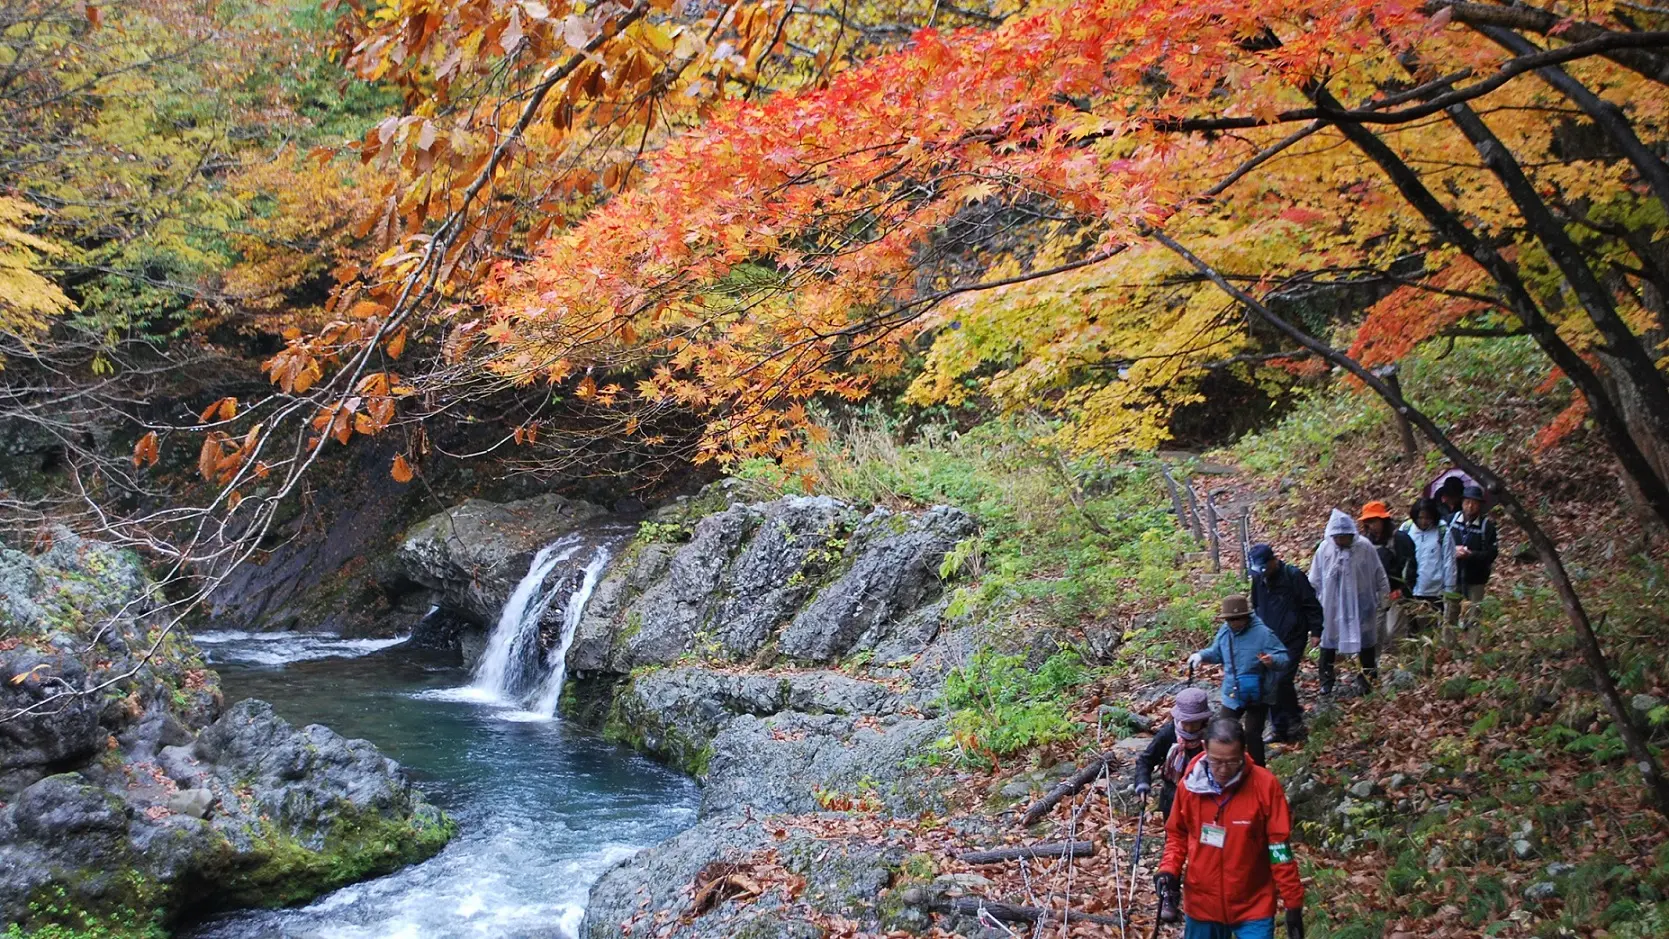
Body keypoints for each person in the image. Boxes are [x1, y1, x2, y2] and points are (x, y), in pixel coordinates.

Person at [1154, 719, 1306, 939]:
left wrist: (1293, 902)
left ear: (1243, 752)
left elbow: (1279, 848)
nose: (1223, 770)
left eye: (1232, 762)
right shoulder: (1189, 786)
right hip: (1202, 903)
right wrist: (1168, 869)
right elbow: (1177, 834)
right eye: (1216, 762)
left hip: (1253, 903)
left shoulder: (1265, 786)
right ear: (1204, 748)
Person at [1186, 595, 1287, 768]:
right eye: (1230, 620)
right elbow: (1217, 653)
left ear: (1246, 617)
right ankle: (1219, 767)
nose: (1233, 623)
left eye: (1237, 619)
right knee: (1221, 729)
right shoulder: (1225, 632)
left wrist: (1272, 661)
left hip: (1259, 692)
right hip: (1233, 692)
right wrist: (1201, 656)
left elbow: (1283, 658)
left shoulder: (1263, 633)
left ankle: (1258, 773)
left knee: (1252, 734)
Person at [1308, 509, 1388, 695]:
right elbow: (1315, 577)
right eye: (1337, 537)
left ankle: (1367, 678)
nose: (1340, 541)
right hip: (1332, 604)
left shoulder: (1365, 547)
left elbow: (1378, 572)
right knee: (1328, 642)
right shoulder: (1325, 550)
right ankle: (1326, 680)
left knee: (1366, 642)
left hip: (1361, 602)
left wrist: (1384, 594)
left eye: (1344, 537)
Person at [1248, 543, 1323, 743]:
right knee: (1270, 680)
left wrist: (1316, 631)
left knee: (1282, 679)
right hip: (1268, 639)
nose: (1263, 574)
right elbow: (1255, 606)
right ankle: (1279, 727)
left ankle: (1294, 722)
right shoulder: (1258, 580)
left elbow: (1311, 604)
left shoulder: (1293, 576)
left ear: (1273, 560)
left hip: (1293, 637)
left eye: (1265, 568)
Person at [1133, 687, 1213, 821]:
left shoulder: (1212, 735)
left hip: (1205, 795)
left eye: (1195, 722)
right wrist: (1142, 783)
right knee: (1174, 835)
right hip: (1173, 795)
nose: (1190, 727)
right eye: (1187, 722)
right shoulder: (1168, 734)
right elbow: (1146, 761)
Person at [1359, 501, 1417, 642]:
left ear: (1383, 519)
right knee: (1376, 632)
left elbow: (1410, 567)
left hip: (1396, 593)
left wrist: (1404, 589)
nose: (1371, 526)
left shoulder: (1400, 539)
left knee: (1394, 632)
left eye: (1373, 521)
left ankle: (1398, 660)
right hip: (1374, 593)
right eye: (1368, 522)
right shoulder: (1366, 541)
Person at [1444, 484, 1499, 629]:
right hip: (1453, 575)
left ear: (1480, 505)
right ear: (1462, 503)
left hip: (1476, 577)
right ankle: (1448, 648)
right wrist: (1454, 551)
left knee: (1475, 614)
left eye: (1474, 503)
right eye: (1467, 502)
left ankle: (1473, 646)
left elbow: (1492, 553)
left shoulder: (1487, 526)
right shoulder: (1450, 521)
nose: (1470, 506)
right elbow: (1439, 544)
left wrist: (1471, 555)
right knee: (1450, 613)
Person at [1399, 499, 1448, 633]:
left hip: (1433, 590)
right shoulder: (1406, 529)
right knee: (1411, 629)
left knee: (1431, 629)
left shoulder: (1442, 530)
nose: (1424, 521)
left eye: (1428, 518)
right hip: (1410, 589)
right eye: (1420, 517)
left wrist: (1449, 588)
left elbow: (1448, 561)